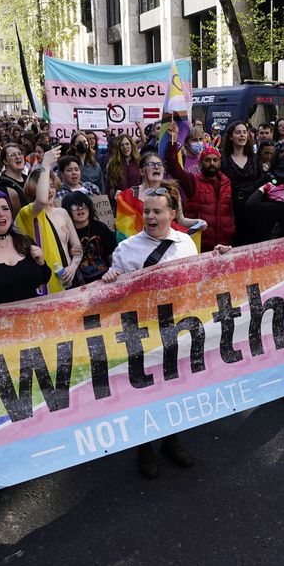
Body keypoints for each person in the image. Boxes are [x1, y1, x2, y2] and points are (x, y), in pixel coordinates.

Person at [102, 184, 230, 478]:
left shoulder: (186, 243)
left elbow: (198, 281)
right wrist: (109, 278)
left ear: (172, 213)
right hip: (141, 331)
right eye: (146, 211)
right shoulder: (126, 249)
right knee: (145, 391)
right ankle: (144, 447)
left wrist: (217, 259)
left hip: (178, 327)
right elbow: (113, 297)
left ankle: (171, 440)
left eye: (157, 211)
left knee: (174, 386)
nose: (150, 216)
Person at [14, 148, 83, 292]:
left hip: (69, 282)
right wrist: (45, 163)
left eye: (52, 186)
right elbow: (42, 199)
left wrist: (72, 267)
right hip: (45, 284)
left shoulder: (62, 213)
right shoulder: (28, 213)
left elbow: (78, 249)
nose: (50, 191)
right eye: (45, 187)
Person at [164, 121, 235, 248]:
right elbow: (174, 166)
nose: (211, 163)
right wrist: (173, 141)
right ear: (201, 163)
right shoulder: (192, 181)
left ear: (220, 162)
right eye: (207, 160)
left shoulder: (226, 183)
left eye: (215, 160)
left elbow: (230, 213)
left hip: (223, 244)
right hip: (200, 243)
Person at [62, 191, 115, 285]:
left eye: (83, 205)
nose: (80, 209)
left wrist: (113, 272)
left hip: (105, 278)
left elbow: (112, 254)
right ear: (67, 211)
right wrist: (69, 253)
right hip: (79, 282)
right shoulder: (64, 233)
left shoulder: (100, 227)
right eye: (74, 206)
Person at [220, 120, 259, 234]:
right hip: (231, 206)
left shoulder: (254, 159)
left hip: (252, 205)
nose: (242, 135)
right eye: (238, 132)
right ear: (231, 137)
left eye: (244, 132)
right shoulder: (224, 159)